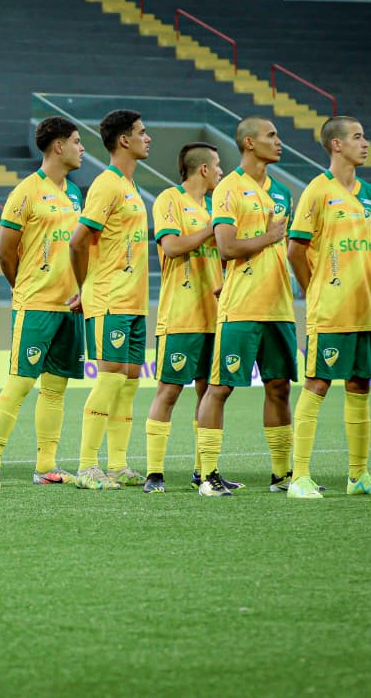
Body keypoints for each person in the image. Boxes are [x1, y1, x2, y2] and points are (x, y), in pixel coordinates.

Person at [0, 116, 86, 488]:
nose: (81, 148)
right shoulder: (25, 191)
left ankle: (46, 466)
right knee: (20, 383)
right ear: (58, 146)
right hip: (36, 304)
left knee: (55, 390)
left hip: (70, 306)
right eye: (76, 141)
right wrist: (24, 286)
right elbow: (6, 254)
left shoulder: (75, 193)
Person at [194, 117, 296, 497]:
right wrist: (269, 236)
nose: (279, 141)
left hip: (279, 307)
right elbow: (226, 246)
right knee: (220, 388)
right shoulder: (228, 189)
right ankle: (208, 475)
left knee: (279, 387)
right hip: (241, 307)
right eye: (272, 135)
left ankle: (282, 474)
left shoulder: (282, 191)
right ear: (250, 143)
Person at [286, 117, 371, 499]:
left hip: (364, 310)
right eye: (357, 137)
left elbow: (367, 250)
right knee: (317, 384)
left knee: (360, 384)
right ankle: (300, 476)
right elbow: (296, 249)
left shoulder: (370, 195)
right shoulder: (317, 191)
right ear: (336, 145)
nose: (365, 143)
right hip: (329, 309)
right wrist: (315, 287)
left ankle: (358, 474)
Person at [67, 109, 151, 490]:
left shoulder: (131, 187)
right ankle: (87, 466)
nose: (147, 138)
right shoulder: (108, 184)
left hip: (134, 302)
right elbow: (78, 240)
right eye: (142, 133)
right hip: (110, 299)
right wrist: (85, 286)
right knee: (110, 377)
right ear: (124, 140)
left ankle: (117, 464)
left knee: (129, 381)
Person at [142, 143, 226, 494]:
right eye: (218, 166)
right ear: (203, 169)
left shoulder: (216, 206)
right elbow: (173, 247)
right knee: (170, 390)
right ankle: (154, 473)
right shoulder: (169, 200)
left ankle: (205, 472)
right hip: (181, 315)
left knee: (209, 394)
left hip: (215, 317)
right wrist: (213, 229)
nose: (222, 172)